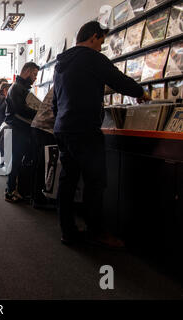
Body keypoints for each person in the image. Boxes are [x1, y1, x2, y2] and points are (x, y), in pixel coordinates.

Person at [53, 21, 148, 247]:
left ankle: (68, 231)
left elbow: (56, 100)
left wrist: (61, 122)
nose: (101, 47)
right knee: (95, 182)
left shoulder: (61, 64)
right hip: (85, 128)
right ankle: (97, 231)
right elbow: (118, 79)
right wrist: (140, 92)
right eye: (102, 42)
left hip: (63, 128)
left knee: (68, 182)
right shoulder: (91, 57)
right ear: (94, 37)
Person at [4, 62, 40, 203]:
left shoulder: (21, 88)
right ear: (26, 71)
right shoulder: (17, 88)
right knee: (16, 161)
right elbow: (21, 109)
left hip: (22, 129)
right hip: (18, 129)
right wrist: (40, 112)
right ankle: (10, 191)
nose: (35, 78)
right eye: (34, 74)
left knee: (19, 161)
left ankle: (16, 190)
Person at [30, 87, 57, 210]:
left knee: (40, 163)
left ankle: (36, 196)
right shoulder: (72, 81)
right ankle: (39, 198)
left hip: (39, 126)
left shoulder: (60, 80)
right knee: (44, 165)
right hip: (47, 127)